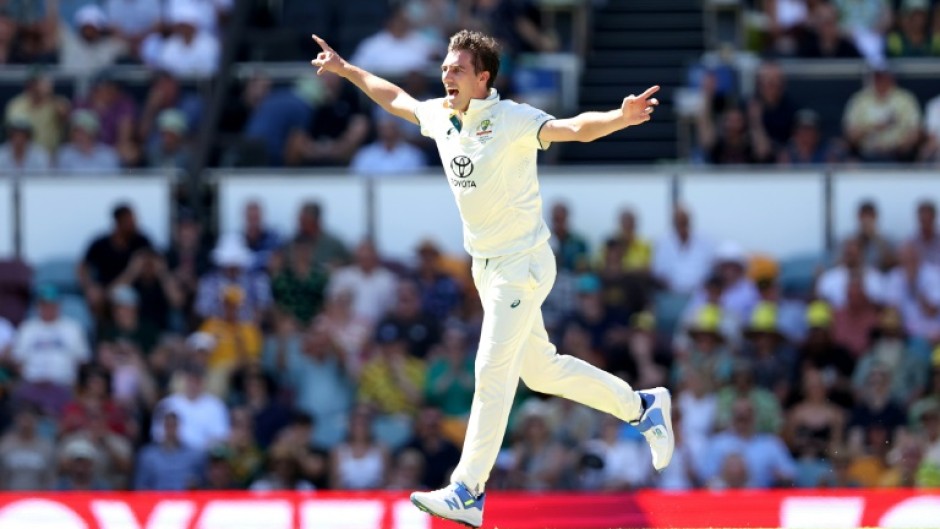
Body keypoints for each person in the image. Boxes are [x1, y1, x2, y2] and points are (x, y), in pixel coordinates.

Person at [312, 29, 672, 528]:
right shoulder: (440, 114)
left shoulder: (513, 119)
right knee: (540, 371)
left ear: (483, 78)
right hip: (487, 269)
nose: (446, 74)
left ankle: (468, 489)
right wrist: (346, 69)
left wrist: (619, 117)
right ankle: (642, 406)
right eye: (445, 66)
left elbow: (573, 129)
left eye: (457, 69)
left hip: (521, 265)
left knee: (491, 371)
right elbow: (395, 98)